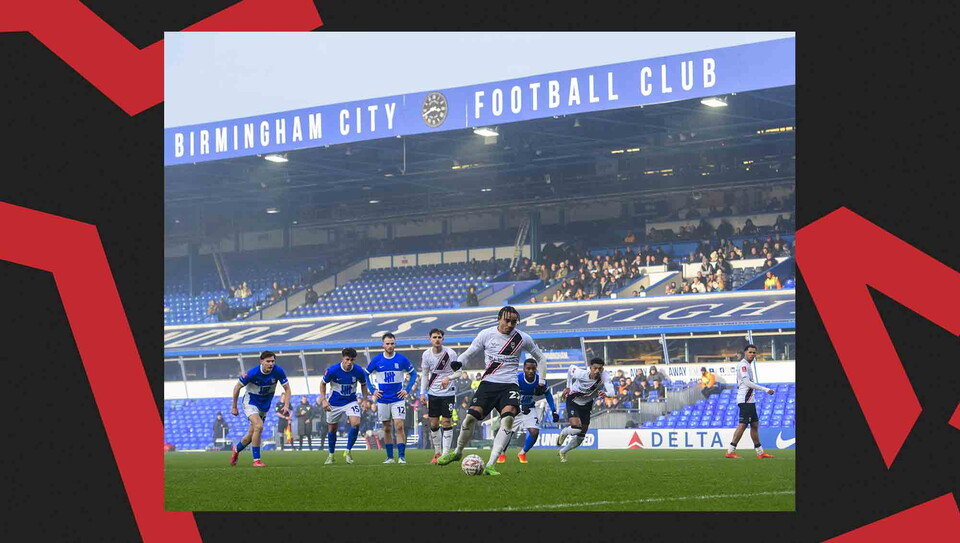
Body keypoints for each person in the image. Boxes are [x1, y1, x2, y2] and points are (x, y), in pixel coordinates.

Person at [436, 305, 547, 476]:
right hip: (488, 384)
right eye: (507, 320)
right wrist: (459, 363)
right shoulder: (486, 334)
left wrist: (543, 380)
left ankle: (491, 464)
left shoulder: (522, 338)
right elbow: (469, 353)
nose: (510, 324)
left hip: (510, 385)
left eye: (514, 322)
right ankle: (457, 453)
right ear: (499, 319)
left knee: (508, 420)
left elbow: (541, 358)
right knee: (469, 420)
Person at [229, 351, 291, 467]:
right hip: (251, 402)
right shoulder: (252, 373)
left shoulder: (278, 371)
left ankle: (236, 449)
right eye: (268, 361)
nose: (270, 364)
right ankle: (256, 460)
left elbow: (287, 389)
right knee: (259, 426)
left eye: (272, 361)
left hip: (264, 406)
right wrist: (234, 406)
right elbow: (237, 387)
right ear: (261, 361)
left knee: (250, 435)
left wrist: (286, 405)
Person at [367, 333, 418, 464]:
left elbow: (413, 374)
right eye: (387, 343)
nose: (390, 346)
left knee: (399, 426)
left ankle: (401, 456)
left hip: (398, 398)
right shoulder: (377, 360)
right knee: (387, 428)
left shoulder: (402, 359)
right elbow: (365, 374)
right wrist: (373, 390)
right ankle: (390, 457)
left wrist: (406, 390)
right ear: (383, 345)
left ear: (395, 344)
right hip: (383, 399)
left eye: (392, 343)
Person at [498, 358, 558, 464]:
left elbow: (548, 394)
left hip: (529, 408)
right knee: (508, 431)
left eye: (533, 369)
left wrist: (554, 410)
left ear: (536, 369)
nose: (531, 371)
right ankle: (502, 453)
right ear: (524, 369)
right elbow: (507, 394)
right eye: (528, 368)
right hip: (514, 408)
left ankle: (522, 453)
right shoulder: (517, 379)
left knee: (534, 432)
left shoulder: (540, 381)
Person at [319, 348, 372, 465]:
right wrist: (324, 400)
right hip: (334, 402)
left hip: (350, 401)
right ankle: (331, 455)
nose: (349, 362)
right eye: (347, 359)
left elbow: (363, 385)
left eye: (352, 360)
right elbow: (322, 383)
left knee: (356, 423)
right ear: (342, 358)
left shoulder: (358, 371)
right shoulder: (333, 370)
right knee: (332, 429)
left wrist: (364, 399)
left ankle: (348, 451)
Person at [556, 358, 615, 462]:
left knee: (581, 436)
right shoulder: (581, 373)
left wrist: (606, 394)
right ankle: (564, 432)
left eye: (600, 369)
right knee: (576, 428)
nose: (597, 371)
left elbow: (612, 392)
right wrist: (568, 387)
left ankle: (563, 452)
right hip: (573, 400)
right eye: (595, 368)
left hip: (587, 404)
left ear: (603, 368)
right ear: (590, 367)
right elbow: (570, 369)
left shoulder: (604, 375)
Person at [419, 328, 462, 464]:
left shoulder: (451, 353)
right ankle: (437, 452)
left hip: (448, 393)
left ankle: (445, 453)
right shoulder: (426, 355)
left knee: (447, 421)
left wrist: (448, 378)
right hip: (433, 393)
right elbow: (425, 374)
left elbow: (459, 372)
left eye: (439, 337)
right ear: (430, 339)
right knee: (433, 423)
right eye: (434, 337)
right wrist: (422, 392)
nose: (437, 339)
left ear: (443, 339)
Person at [726, 345, 776, 459]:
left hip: (750, 400)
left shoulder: (747, 365)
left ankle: (760, 452)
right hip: (745, 400)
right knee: (743, 424)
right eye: (750, 352)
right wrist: (765, 389)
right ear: (745, 353)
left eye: (754, 352)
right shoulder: (743, 365)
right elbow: (747, 383)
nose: (752, 354)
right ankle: (730, 451)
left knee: (754, 425)